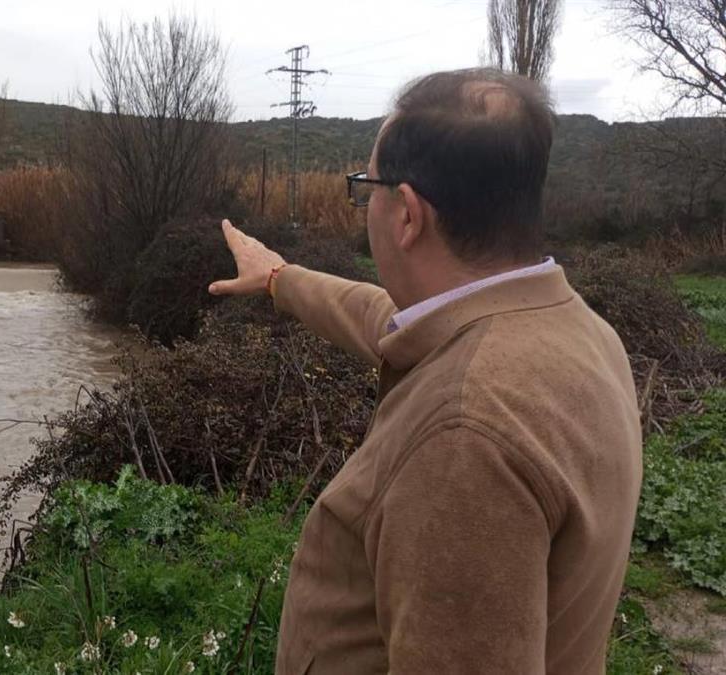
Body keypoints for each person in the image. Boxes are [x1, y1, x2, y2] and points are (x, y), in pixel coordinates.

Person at [209, 68, 642, 674]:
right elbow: (386, 320)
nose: (366, 205)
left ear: (408, 215)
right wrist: (280, 278)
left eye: (367, 188)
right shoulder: (576, 332)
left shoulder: (465, 437)